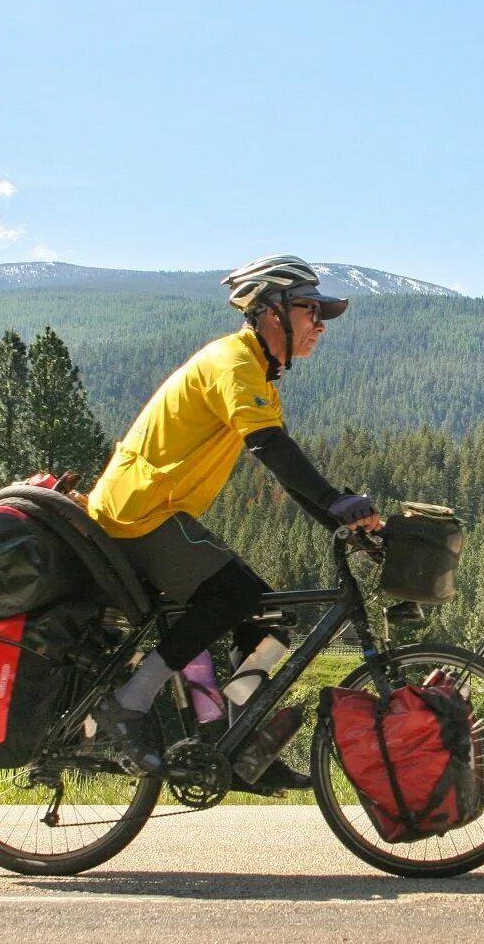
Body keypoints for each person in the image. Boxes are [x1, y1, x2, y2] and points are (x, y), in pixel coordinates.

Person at [86, 254, 383, 786]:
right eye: (311, 311)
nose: (319, 326)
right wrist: (336, 501)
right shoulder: (233, 363)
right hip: (137, 510)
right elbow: (270, 447)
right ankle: (128, 703)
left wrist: (345, 524)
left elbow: (286, 471)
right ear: (272, 311)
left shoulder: (260, 377)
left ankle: (230, 744)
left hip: (159, 509)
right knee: (235, 596)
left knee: (267, 620)